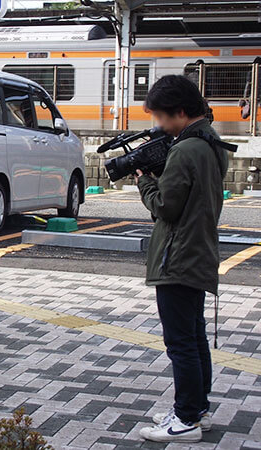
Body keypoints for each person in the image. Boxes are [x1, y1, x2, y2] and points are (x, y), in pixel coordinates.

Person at [135, 75, 229, 443]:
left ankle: (187, 419)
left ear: (180, 111)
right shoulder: (211, 142)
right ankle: (197, 410)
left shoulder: (186, 149)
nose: (159, 125)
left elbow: (165, 207)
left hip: (178, 258)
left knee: (181, 343)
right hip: (198, 253)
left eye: (161, 117)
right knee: (194, 338)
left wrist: (144, 180)